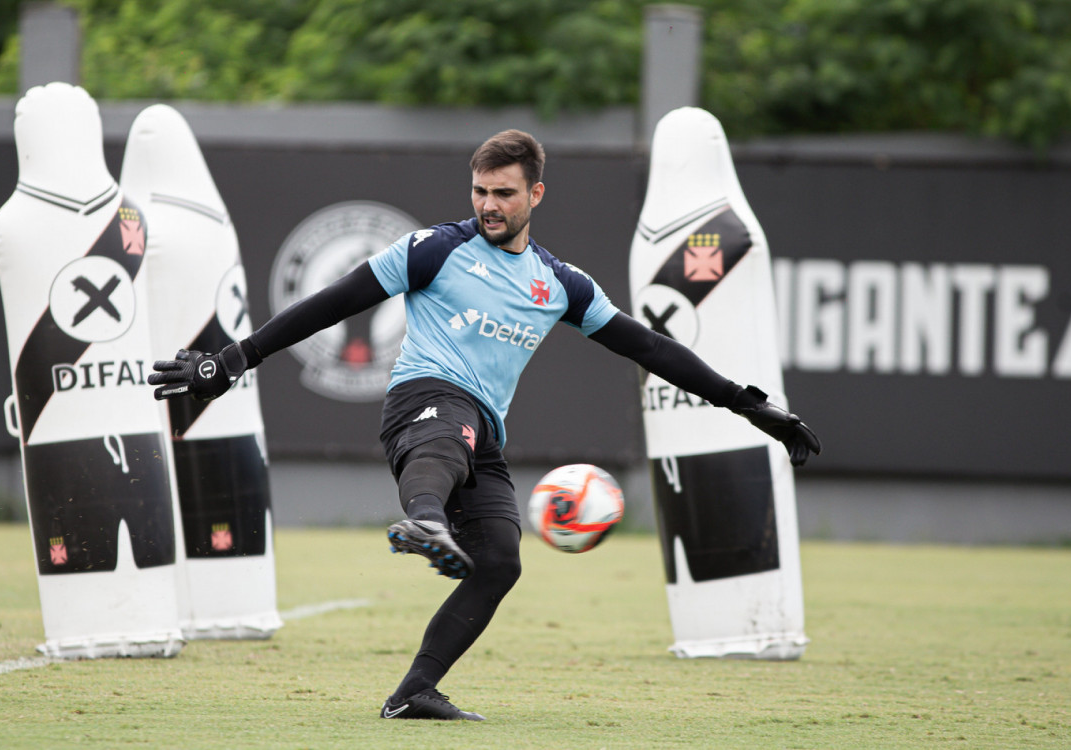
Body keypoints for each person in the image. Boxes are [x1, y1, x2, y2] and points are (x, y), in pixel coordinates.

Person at [148, 129, 820, 721]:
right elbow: (329, 303)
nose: (488, 205)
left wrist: (749, 403)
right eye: (479, 191)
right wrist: (232, 360)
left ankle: (413, 691)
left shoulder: (561, 284)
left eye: (502, 193)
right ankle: (426, 519)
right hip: (423, 401)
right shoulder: (432, 251)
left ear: (536, 195)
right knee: (452, 435)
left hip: (482, 432)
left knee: (499, 560)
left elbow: (650, 348)